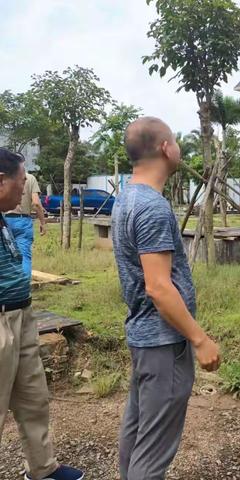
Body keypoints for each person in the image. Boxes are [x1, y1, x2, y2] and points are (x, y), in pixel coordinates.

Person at [112, 116, 221, 480]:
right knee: (155, 446)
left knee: (139, 428)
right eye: (175, 140)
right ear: (165, 148)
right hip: (163, 342)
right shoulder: (152, 207)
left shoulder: (126, 197)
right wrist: (199, 338)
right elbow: (158, 288)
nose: (179, 147)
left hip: (143, 337)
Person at [0, 147, 84, 480]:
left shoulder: (4, 218)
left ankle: (42, 468)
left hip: (20, 316)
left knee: (33, 398)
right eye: (21, 181)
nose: (24, 189)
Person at [5, 167, 47, 278]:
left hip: (5, 221)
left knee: (5, 257)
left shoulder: (5, 177)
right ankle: (24, 288)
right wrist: (42, 222)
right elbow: (36, 204)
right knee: (24, 257)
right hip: (23, 221)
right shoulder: (30, 178)